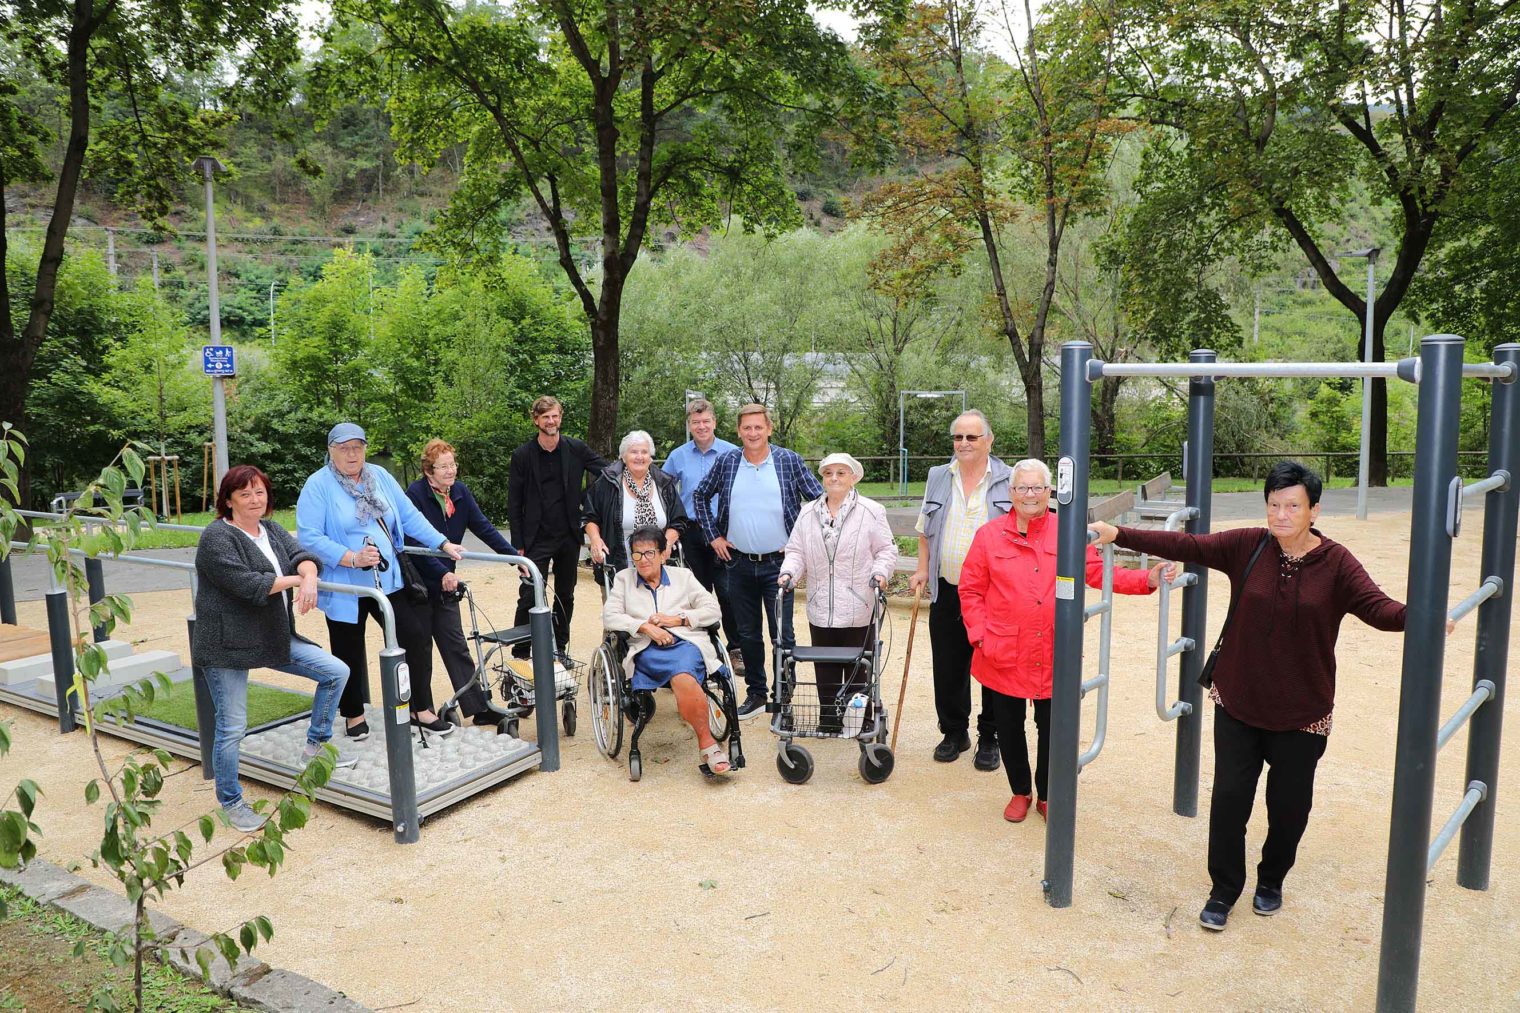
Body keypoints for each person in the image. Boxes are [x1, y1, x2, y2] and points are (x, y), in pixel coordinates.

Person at [1090, 461, 1423, 933]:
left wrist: (1421, 616)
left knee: (1289, 807)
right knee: (1229, 800)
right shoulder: (1247, 545)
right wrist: (1117, 531)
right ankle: (1223, 889)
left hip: (1302, 710)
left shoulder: (1338, 563)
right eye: (1274, 504)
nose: (1281, 514)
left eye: (1292, 506)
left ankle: (1272, 880)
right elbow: (1185, 544)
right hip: (1239, 701)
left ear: (1313, 510)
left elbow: (1377, 607)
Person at [960, 459, 1168, 825]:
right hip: (1002, 649)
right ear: (1010, 493)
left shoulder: (1066, 533)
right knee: (1008, 727)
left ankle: (1048, 792)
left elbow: (1096, 571)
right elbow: (971, 589)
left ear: (1049, 491)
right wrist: (979, 636)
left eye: (1037, 487)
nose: (1030, 495)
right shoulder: (990, 536)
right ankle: (1020, 791)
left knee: (1053, 727)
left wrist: (1145, 580)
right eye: (1022, 487)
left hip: (1053, 649)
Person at [193, 465, 355, 833]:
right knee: (233, 726)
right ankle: (231, 801)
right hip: (226, 644)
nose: (255, 500)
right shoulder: (217, 537)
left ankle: (316, 746)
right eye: (246, 494)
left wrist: (309, 575)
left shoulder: (271, 530)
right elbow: (249, 584)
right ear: (228, 500)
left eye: (260, 492)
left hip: (272, 634)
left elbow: (302, 553)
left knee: (335, 671)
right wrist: (299, 579)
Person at [297, 423, 465, 741]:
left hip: (387, 579)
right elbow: (309, 536)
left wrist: (443, 544)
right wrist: (351, 557)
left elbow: (409, 514)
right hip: (347, 583)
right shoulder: (318, 485)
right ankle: (353, 714)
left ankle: (420, 708)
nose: (352, 454)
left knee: (415, 635)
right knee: (347, 648)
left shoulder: (379, 477)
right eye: (344, 448)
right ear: (331, 451)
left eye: (357, 447)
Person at [693, 404, 823, 720]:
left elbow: (818, 499)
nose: (753, 433)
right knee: (748, 634)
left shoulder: (788, 461)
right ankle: (756, 693)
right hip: (736, 563)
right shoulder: (726, 462)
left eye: (758, 427)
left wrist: (800, 543)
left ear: (769, 429)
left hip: (779, 566)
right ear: (738, 431)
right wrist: (713, 536)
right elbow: (700, 496)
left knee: (783, 633)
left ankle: (783, 694)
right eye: (747, 428)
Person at [909, 409, 1012, 769]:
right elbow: (925, 530)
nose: (963, 443)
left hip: (996, 595)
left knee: (993, 665)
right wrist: (923, 569)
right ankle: (954, 732)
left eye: (972, 437)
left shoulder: (1009, 479)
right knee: (949, 666)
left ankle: (990, 736)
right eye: (958, 437)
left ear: (989, 440)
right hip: (948, 588)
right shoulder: (938, 475)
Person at [778, 453, 898, 733]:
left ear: (854, 477)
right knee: (826, 669)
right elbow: (796, 551)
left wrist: (880, 574)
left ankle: (858, 721)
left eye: (841, 473)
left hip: (860, 605)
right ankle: (829, 720)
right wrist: (789, 573)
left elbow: (886, 550)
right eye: (828, 473)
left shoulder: (871, 510)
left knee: (859, 668)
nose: (834, 478)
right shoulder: (808, 512)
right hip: (821, 605)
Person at [405, 439, 521, 727]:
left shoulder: (459, 492)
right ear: (428, 470)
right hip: (417, 583)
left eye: (452, 464)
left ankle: (479, 707)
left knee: (456, 644)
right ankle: (421, 711)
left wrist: (514, 559)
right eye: (442, 466)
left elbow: (482, 526)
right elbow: (411, 542)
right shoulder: (415, 494)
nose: (450, 471)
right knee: (419, 651)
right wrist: (440, 572)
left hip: (447, 581)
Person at [602, 526, 733, 774]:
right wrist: (642, 627)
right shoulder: (623, 579)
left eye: (649, 553)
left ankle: (706, 742)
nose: (642, 560)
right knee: (681, 675)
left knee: (682, 673)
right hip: (647, 649)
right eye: (637, 554)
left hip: (686, 643)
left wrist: (679, 619)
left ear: (664, 554)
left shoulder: (682, 576)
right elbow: (610, 616)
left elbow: (712, 609)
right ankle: (709, 746)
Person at [507, 395, 609, 662]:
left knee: (565, 595)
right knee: (529, 594)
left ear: (560, 417)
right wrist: (517, 546)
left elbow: (607, 471)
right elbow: (514, 503)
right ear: (536, 420)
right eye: (545, 417)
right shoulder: (521, 456)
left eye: (555, 416)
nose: (551, 421)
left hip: (568, 536)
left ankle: (558, 649)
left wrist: (588, 498)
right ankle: (520, 653)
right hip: (535, 538)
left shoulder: (575, 448)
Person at [663, 399, 742, 664]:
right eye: (696, 422)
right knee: (696, 591)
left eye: (706, 421)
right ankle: (704, 643)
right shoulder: (678, 456)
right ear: (689, 425)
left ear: (714, 423)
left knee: (729, 591)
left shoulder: (732, 453)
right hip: (692, 531)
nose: (701, 426)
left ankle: (736, 647)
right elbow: (663, 490)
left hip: (724, 531)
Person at [583, 430, 687, 572]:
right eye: (634, 452)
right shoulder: (607, 482)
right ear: (623, 457)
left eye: (644, 452)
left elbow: (678, 520)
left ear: (650, 457)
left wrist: (666, 544)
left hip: (659, 566)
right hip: (618, 565)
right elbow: (590, 516)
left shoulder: (664, 483)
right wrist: (595, 539)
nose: (639, 457)